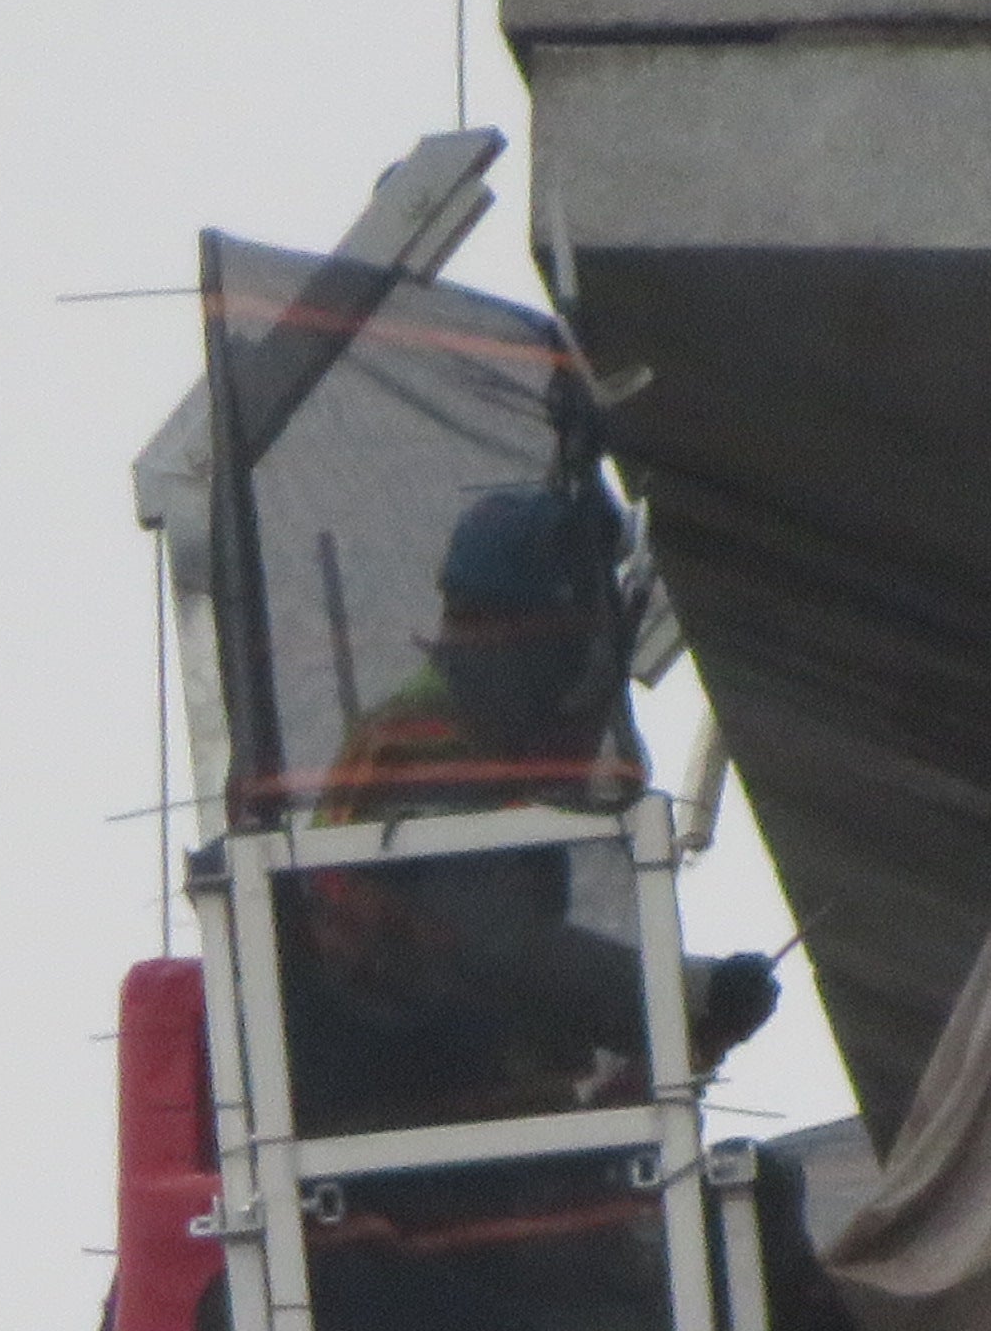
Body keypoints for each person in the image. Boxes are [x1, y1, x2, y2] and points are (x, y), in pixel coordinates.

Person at [286, 478, 779, 1129]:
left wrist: (692, 1021)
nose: (577, 673)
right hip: (412, 1109)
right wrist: (685, 996)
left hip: (460, 1093)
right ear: (510, 632)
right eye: (569, 642)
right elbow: (505, 947)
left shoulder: (483, 753)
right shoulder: (422, 748)